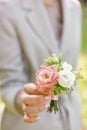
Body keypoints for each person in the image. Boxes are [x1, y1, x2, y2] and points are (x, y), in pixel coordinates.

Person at [0, 0, 82, 130]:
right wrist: (25, 100)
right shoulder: (6, 8)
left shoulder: (73, 6)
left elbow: (72, 75)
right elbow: (9, 84)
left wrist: (78, 121)